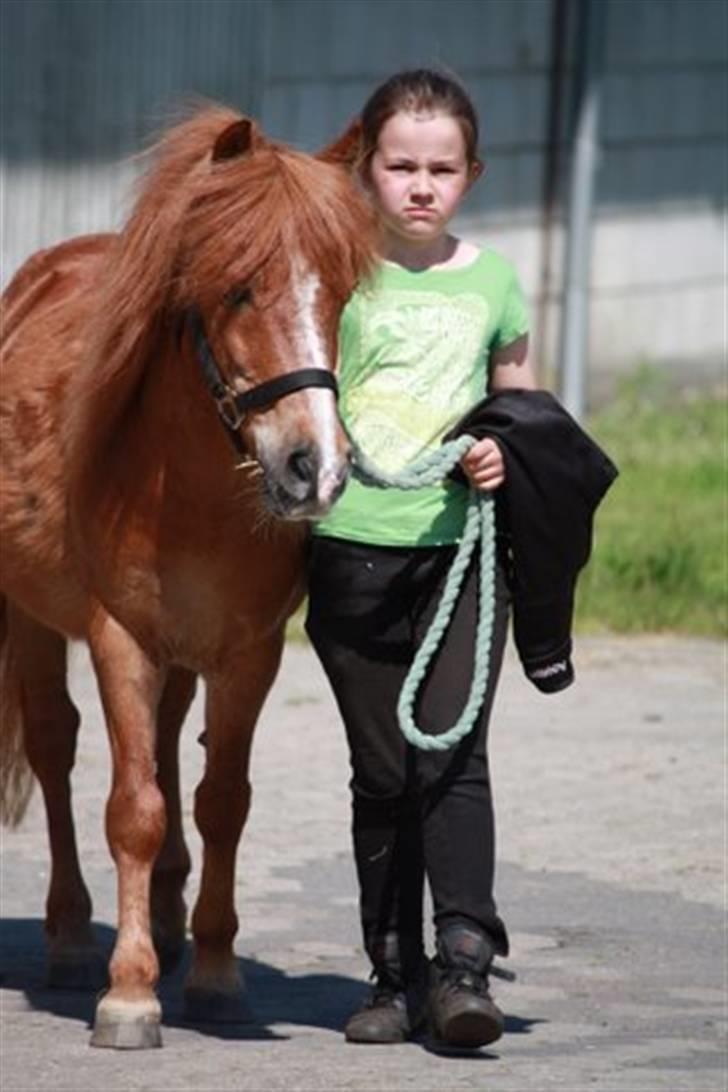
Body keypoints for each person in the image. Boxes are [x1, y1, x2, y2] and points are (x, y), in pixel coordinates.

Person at [305, 68, 537, 1049]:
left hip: (459, 555)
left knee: (451, 758)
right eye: (399, 165)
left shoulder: (491, 281)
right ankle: (390, 977)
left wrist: (500, 447)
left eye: (439, 169)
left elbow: (520, 400)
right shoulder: (337, 276)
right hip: (353, 553)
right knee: (382, 772)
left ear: (469, 175)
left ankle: (460, 967)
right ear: (366, 168)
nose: (417, 185)